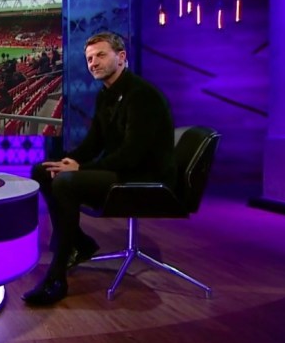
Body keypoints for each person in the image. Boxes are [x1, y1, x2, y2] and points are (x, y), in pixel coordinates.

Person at [22, 31, 176, 306]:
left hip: (144, 177)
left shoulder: (141, 95)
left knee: (66, 182)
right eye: (90, 58)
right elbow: (94, 143)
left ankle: (56, 276)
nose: (93, 63)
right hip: (124, 169)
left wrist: (79, 169)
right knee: (43, 171)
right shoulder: (106, 95)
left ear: (121, 57)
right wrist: (69, 161)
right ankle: (80, 244)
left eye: (100, 55)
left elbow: (132, 155)